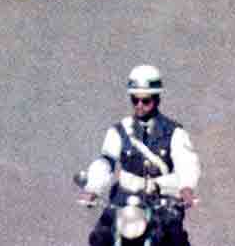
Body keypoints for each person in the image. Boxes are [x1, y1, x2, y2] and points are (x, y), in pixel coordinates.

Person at [78, 66, 200, 246]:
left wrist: (186, 187)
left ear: (157, 99)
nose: (139, 105)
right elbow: (106, 161)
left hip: (162, 201)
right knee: (100, 236)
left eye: (146, 101)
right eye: (135, 100)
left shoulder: (174, 132)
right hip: (125, 199)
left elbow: (186, 161)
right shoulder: (119, 131)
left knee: (175, 238)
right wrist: (93, 188)